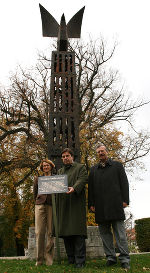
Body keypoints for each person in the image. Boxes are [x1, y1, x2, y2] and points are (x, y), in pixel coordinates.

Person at [88, 143, 130, 270]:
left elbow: (124, 183)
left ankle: (124, 258)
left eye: (102, 151)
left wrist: (125, 200)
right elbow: (91, 189)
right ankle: (110, 257)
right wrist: (91, 204)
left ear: (107, 151)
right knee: (105, 234)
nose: (101, 153)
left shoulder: (117, 166)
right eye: (98, 152)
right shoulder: (93, 169)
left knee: (120, 234)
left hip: (116, 205)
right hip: (100, 207)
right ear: (97, 154)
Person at [56, 148, 88, 268]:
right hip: (63, 204)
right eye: (63, 156)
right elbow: (55, 184)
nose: (65, 158)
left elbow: (83, 179)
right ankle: (71, 259)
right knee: (66, 233)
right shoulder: (59, 171)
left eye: (67, 156)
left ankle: (80, 261)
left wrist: (74, 188)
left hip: (76, 204)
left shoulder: (80, 168)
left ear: (72, 157)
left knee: (77, 233)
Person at [33, 159, 55, 266]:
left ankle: (49, 260)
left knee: (51, 232)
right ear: (42, 168)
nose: (46, 167)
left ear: (51, 166)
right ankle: (39, 260)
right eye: (44, 166)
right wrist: (38, 202)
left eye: (47, 165)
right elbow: (35, 193)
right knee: (39, 232)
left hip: (51, 206)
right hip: (40, 205)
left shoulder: (55, 178)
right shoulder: (38, 178)